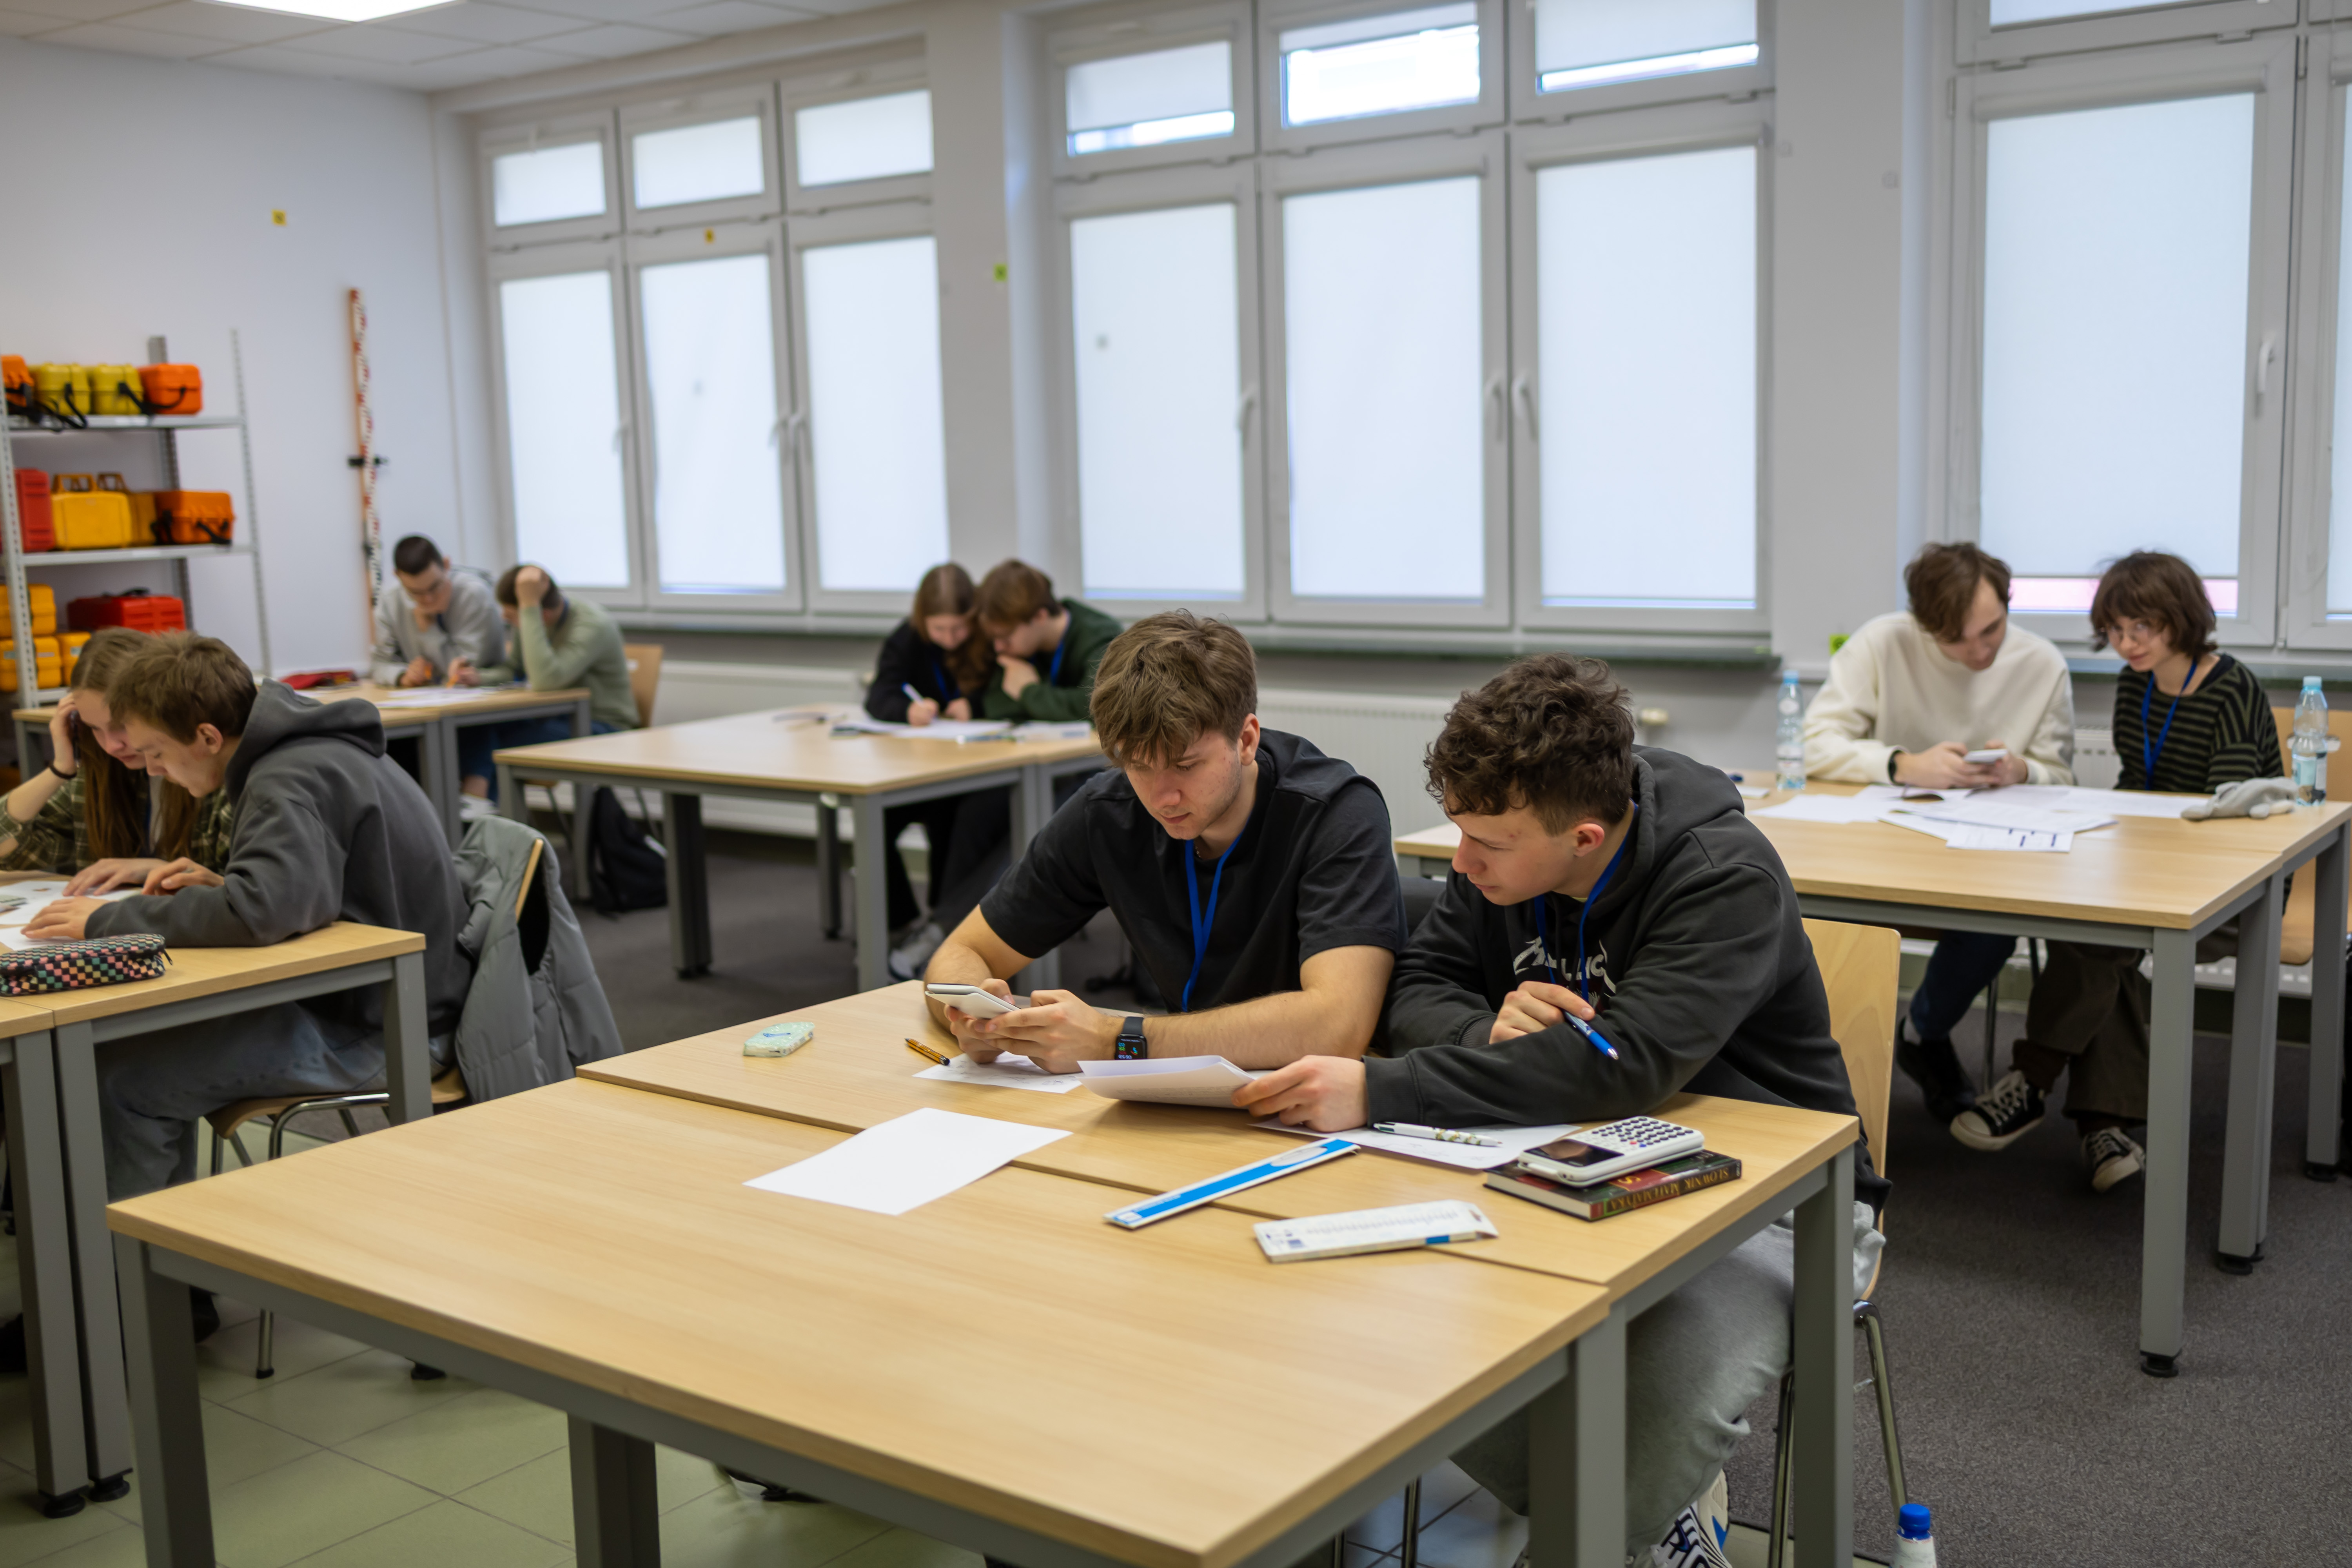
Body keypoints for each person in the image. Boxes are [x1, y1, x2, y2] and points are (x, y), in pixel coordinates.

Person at [1238, 655, 1883, 1568]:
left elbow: (1621, 1068)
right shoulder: (1503, 858)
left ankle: (1602, 1532)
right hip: (1555, 1157)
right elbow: (1419, 982)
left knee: (1653, 1403)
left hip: (1778, 1202)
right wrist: (1485, 1029)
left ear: (1584, 838)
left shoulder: (1721, 874)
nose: (1461, 862)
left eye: (1486, 845)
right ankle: (1635, 1523)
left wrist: (1382, 1089)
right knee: (1383, 1332)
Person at [25, 634, 469, 1203]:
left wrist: (104, 923)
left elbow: (260, 913)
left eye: (157, 753)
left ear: (208, 737)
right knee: (128, 1054)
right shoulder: (306, 751)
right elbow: (300, 895)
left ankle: (139, 1260)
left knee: (121, 1081)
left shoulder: (285, 778)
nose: (153, 770)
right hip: (384, 1003)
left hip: (390, 1029)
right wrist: (229, 887)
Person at [924, 610, 1405, 1069]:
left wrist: (1116, 1040)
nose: (1162, 797)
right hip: (1181, 1088)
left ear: (1246, 740)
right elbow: (959, 954)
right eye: (1138, 765)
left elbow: (1336, 1026)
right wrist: (974, 1015)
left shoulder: (1337, 813)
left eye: (1185, 765)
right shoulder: (1109, 811)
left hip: (1306, 1097)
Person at [1954, 551, 2283, 1191]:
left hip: (2238, 884)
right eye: (2115, 629)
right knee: (2102, 937)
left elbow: (2230, 814)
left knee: (2105, 939)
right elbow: (2138, 784)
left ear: (2181, 618)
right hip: (2155, 870)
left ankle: (2034, 1077)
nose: (2127, 643)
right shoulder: (2137, 686)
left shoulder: (2231, 689)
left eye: (2142, 628)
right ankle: (2104, 1129)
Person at [1802, 541, 2075, 1125]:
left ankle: (1922, 1032)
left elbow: (2062, 776)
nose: (1979, 650)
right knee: (1810, 907)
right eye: (1957, 640)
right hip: (1879, 847)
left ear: (2007, 604)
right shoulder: (1883, 642)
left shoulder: (2042, 663)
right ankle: (1821, 1072)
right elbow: (1816, 745)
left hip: (1987, 858)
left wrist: (2022, 770)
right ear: (1924, 626)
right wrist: (1902, 764)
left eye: (1991, 630)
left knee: (1996, 921)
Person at [0, 629, 232, 891]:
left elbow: (249, 895)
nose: (112, 746)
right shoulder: (101, 773)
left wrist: (156, 870)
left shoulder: (212, 773)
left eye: (121, 725)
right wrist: (60, 769)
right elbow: (7, 848)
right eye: (94, 728)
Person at [864, 564, 1010, 979]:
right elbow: (879, 694)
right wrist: (906, 711)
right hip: (921, 767)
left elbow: (1006, 691)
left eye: (958, 628)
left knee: (954, 819)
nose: (950, 638)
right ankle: (900, 922)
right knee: (875, 821)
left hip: (976, 771)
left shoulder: (989, 638)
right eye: (940, 629)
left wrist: (976, 706)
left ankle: (945, 925)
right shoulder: (908, 639)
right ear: (923, 620)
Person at [455, 564, 638, 813]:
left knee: (498, 746)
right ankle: (479, 811)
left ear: (544, 615)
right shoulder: (531, 618)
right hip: (554, 716)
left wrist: (529, 610)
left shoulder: (592, 625)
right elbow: (515, 670)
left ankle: (484, 818)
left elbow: (545, 681)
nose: (508, 621)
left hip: (603, 725)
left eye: (512, 617)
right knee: (476, 728)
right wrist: (478, 677)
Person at [973, 560, 1122, 723]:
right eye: (994, 639)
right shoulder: (1020, 646)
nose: (998, 647)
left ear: (1040, 617)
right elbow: (994, 704)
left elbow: (1097, 708)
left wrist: (1028, 692)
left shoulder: (1102, 637)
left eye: (1006, 637)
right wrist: (1051, 704)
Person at [368, 534, 505, 689]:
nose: (428, 599)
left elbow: (461, 673)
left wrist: (428, 627)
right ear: (398, 577)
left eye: (434, 587)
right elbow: (378, 665)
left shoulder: (473, 594)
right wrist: (403, 676)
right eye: (415, 592)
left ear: (446, 565)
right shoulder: (390, 601)